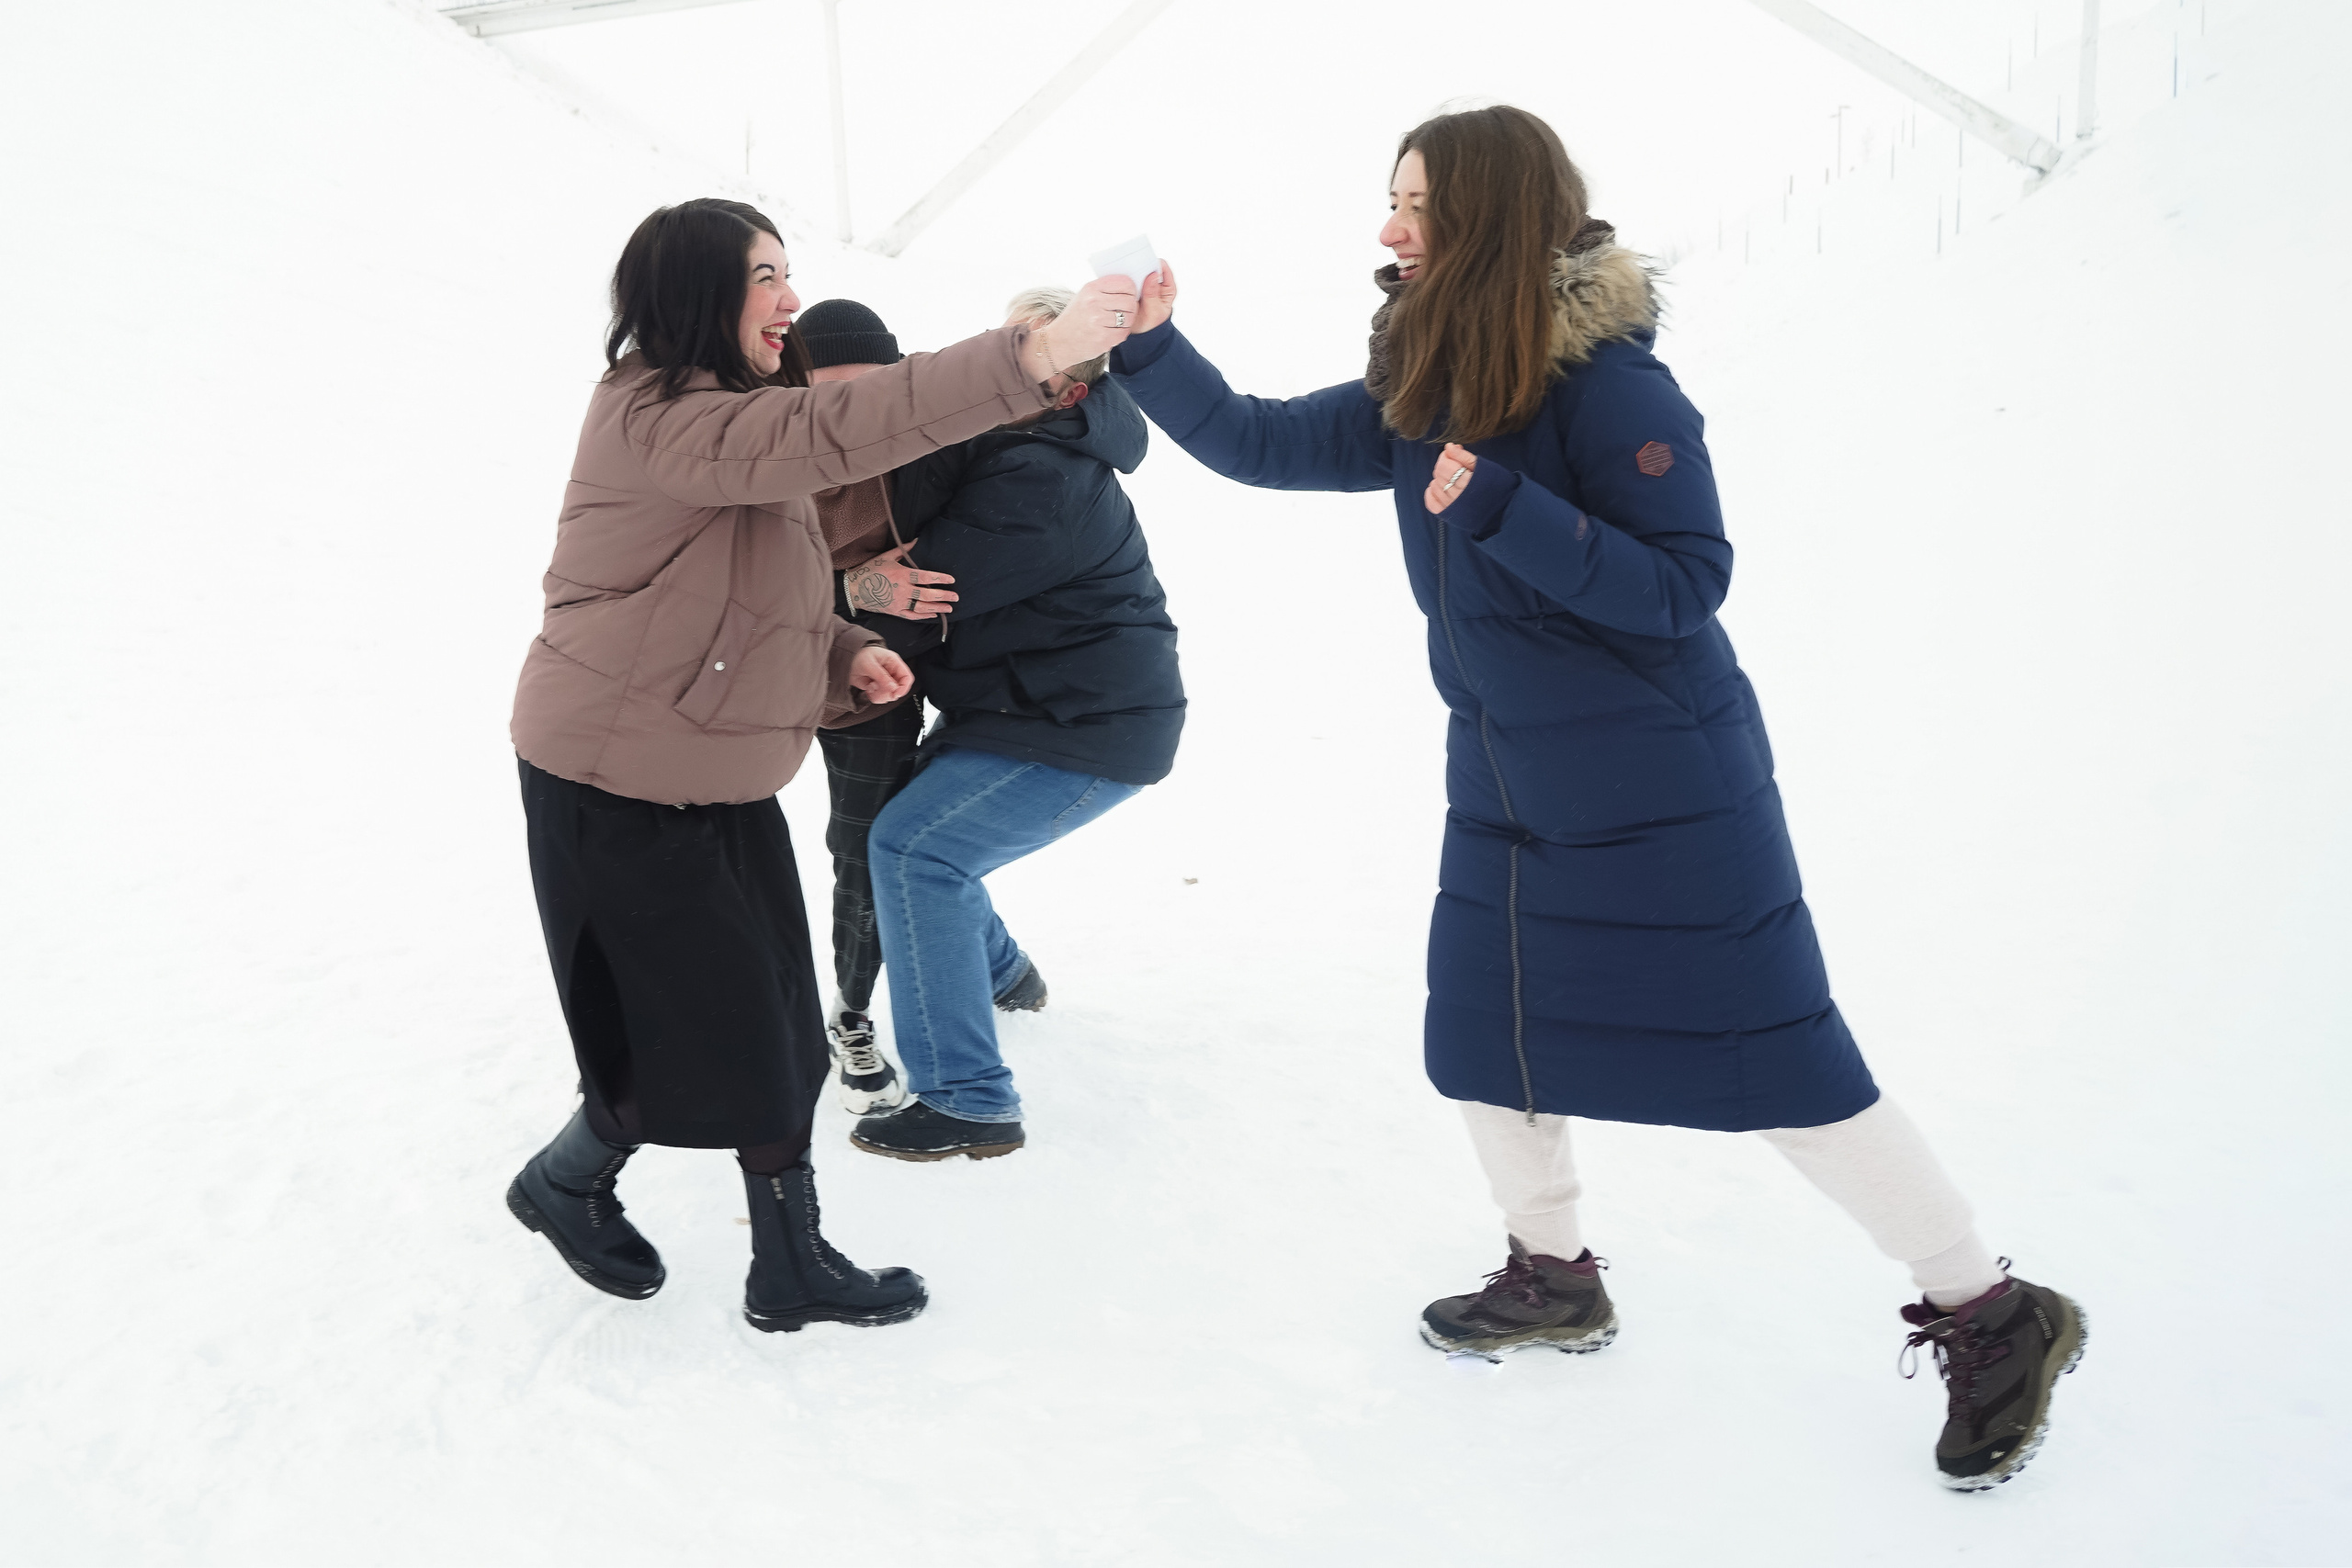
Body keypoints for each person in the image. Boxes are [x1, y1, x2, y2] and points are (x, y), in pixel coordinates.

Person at [1111, 107, 2085, 1490]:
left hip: (1666, 792)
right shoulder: (1430, 383)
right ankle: (1554, 1273)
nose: (1390, 228)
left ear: (1492, 215)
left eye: (1416, 205)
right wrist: (1150, 345)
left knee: (1781, 1064)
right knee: (1487, 1038)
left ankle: (1992, 1308)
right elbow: (1259, 442)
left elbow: (1685, 586)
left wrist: (1508, 511)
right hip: (1511, 786)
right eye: (1392, 200)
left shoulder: (1613, 387)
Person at [504, 197, 1134, 1335]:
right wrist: (1031, 357)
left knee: (779, 1029)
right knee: (684, 1028)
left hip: (714, 768)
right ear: (697, 291)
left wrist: (843, 651)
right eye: (764, 277)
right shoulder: (662, 416)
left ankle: (781, 1260)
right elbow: (843, 428)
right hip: (613, 775)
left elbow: (755, 582)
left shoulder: (730, 417)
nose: (788, 299)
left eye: (785, 273)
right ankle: (575, 1183)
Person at [847, 284, 1184, 1162]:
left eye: (1030, 351)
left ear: (1068, 384)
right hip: (1027, 707)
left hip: (1084, 727)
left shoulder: (1041, 478)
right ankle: (1003, 974)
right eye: (1005, 342)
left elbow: (915, 596)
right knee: (925, 834)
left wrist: (844, 592)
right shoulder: (1015, 443)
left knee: (917, 850)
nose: (1002, 364)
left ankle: (969, 1100)